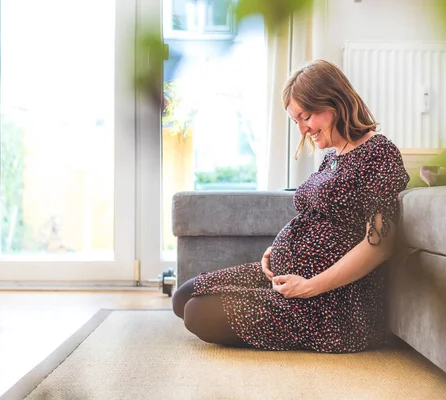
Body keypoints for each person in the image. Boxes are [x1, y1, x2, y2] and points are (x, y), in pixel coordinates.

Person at [172, 60, 410, 353]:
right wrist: (276, 250)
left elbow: (381, 245)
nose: (302, 129)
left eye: (306, 116)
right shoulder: (332, 157)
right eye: (295, 121)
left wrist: (309, 287)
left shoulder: (379, 154)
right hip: (288, 279)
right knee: (183, 297)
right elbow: (314, 218)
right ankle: (269, 291)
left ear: (334, 102)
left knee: (198, 313)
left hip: (330, 302)